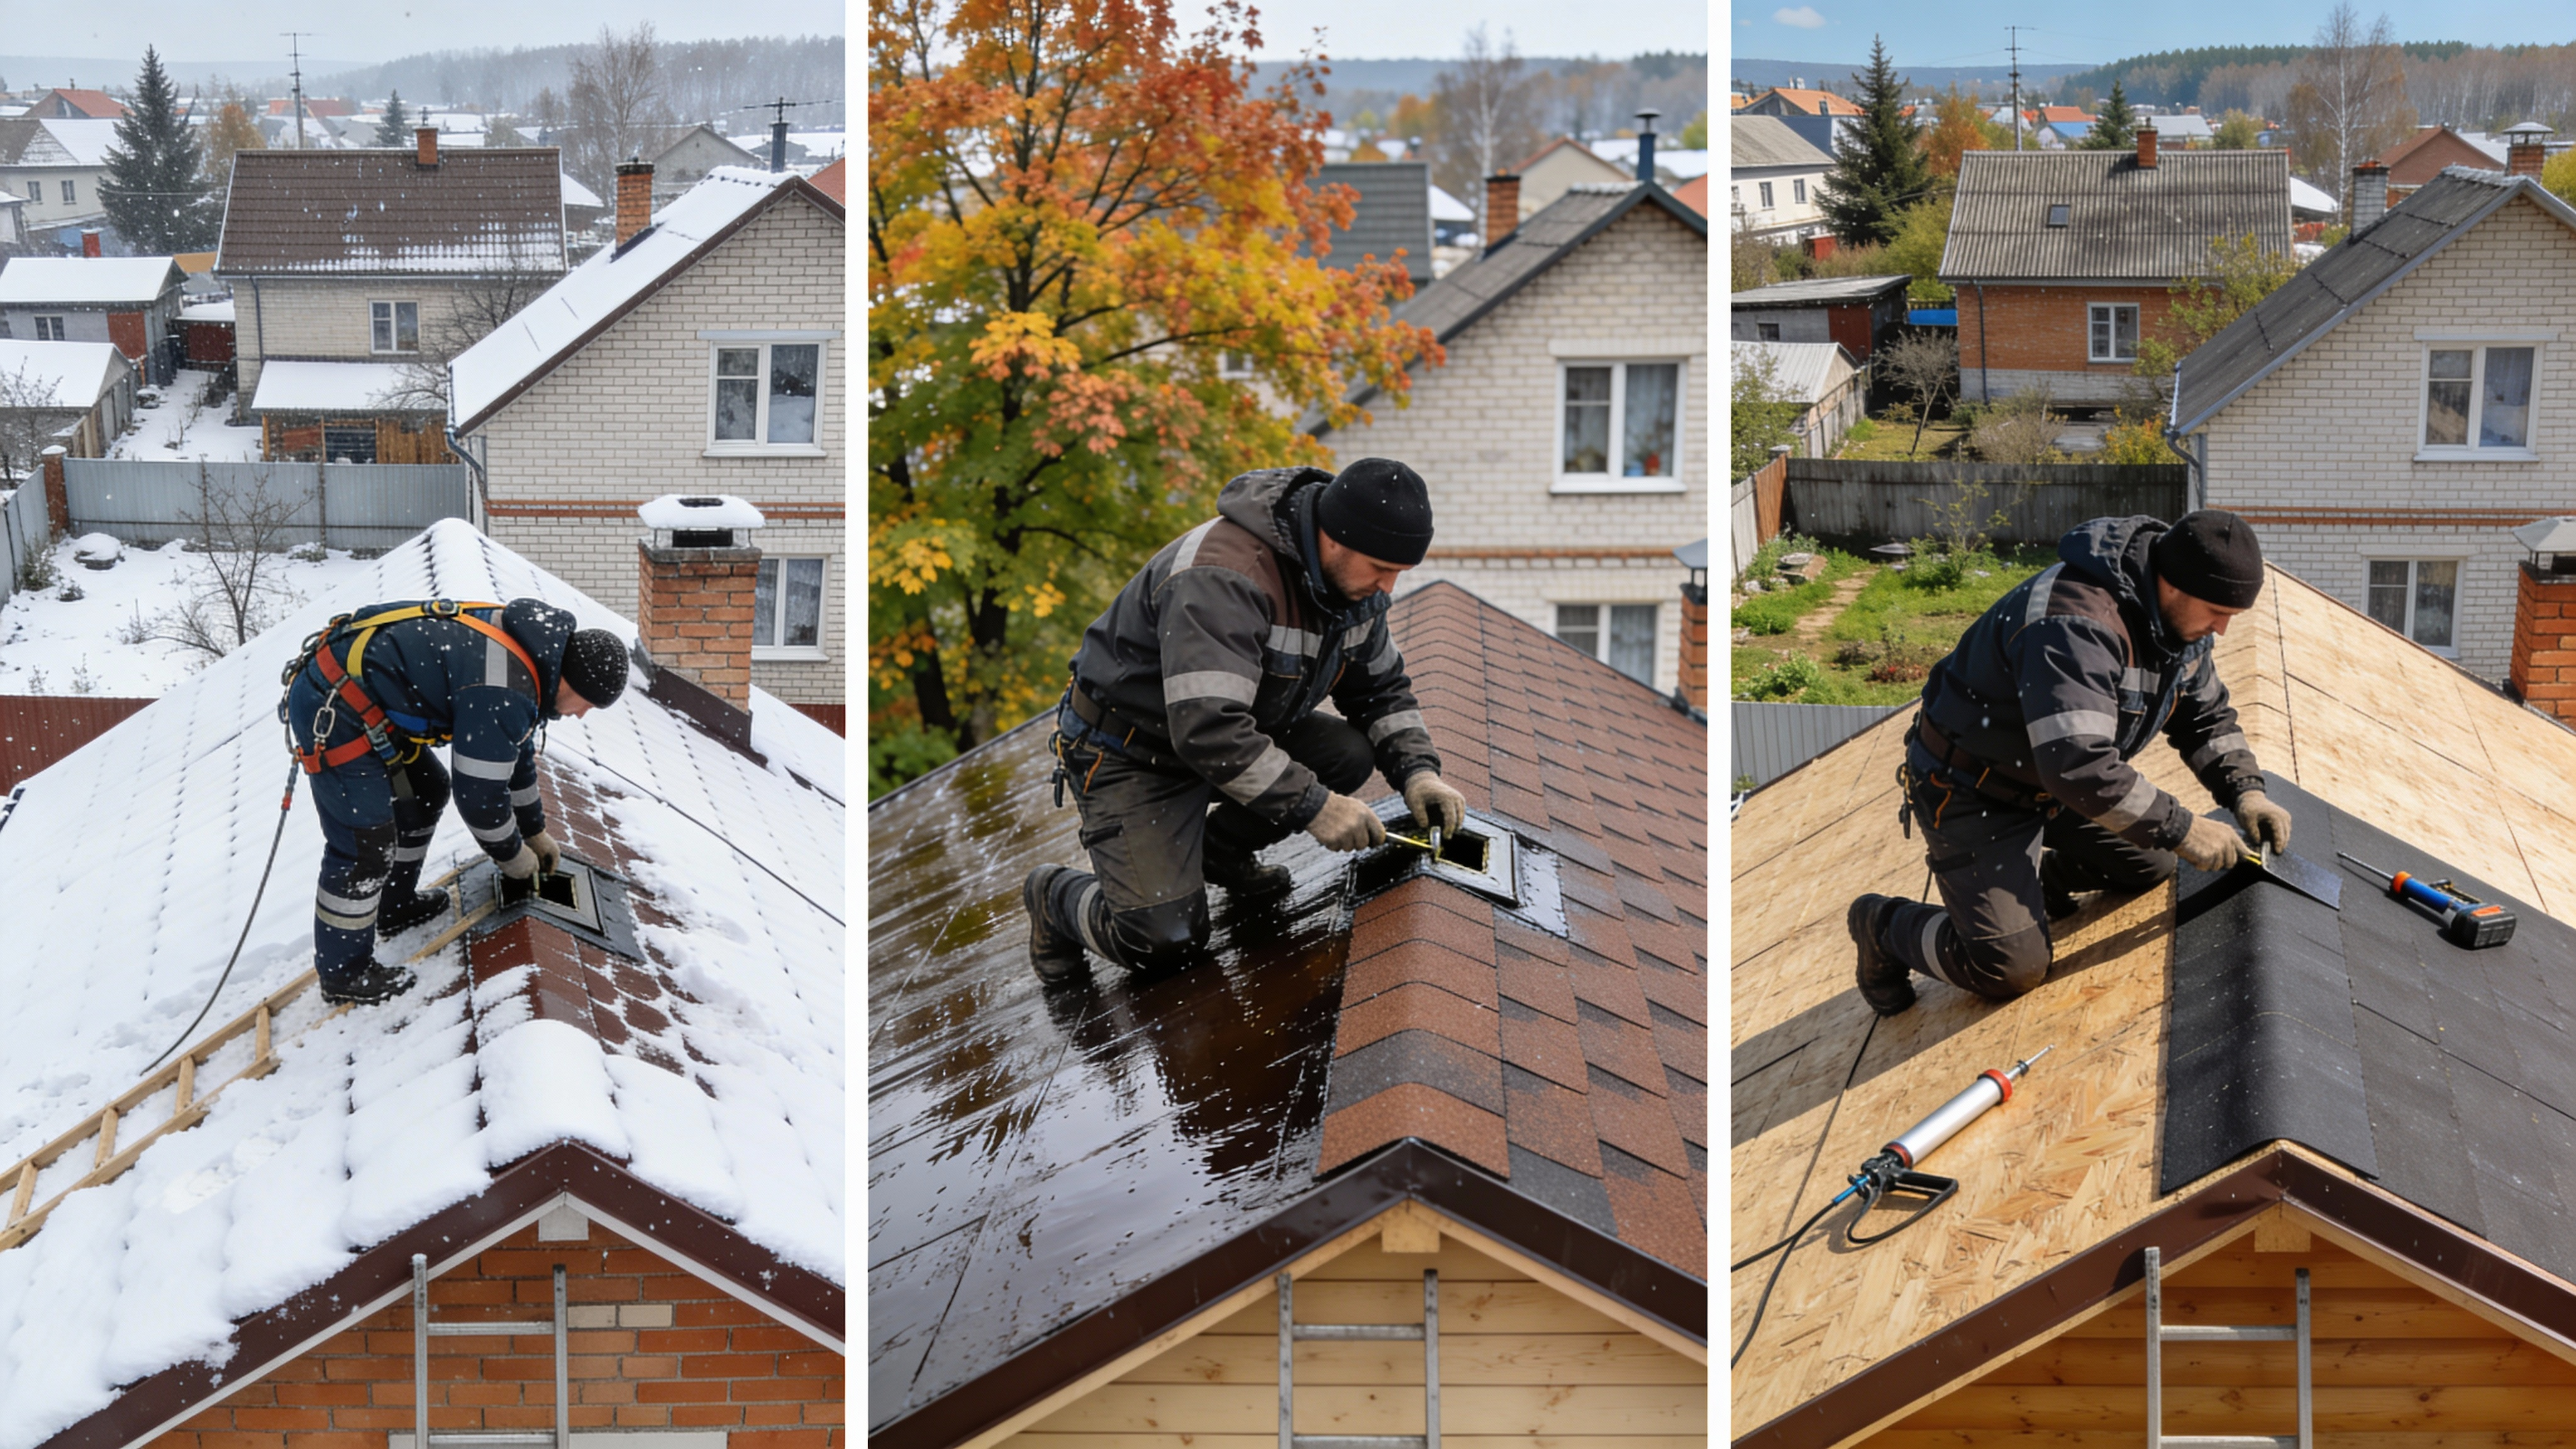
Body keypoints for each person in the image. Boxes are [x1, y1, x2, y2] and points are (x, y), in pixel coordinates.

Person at [1023, 458, 1469, 979]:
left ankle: (1220, 853)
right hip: (1131, 752)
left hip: (1231, 734)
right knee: (1164, 940)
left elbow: (1381, 691)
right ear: (1335, 539)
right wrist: (1315, 809)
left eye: (1398, 573)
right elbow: (1209, 729)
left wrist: (1420, 772)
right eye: (1380, 569)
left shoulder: (1351, 590)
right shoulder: (1223, 577)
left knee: (1347, 755)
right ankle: (1052, 896)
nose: (1388, 588)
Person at [1849, 511, 2294, 1015]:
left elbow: (2204, 719)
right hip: (1974, 789)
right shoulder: (2075, 624)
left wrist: (2246, 791)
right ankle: (1883, 926)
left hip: (2051, 785)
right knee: (2010, 968)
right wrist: (2184, 826)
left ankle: (2040, 885)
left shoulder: (2180, 629)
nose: (2224, 629)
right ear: (2173, 585)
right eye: (2218, 611)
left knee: (2152, 862)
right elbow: (2076, 763)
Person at [282, 598, 629, 1005]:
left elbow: (512, 756)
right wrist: (512, 857)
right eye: (589, 704)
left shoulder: (535, 662)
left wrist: (535, 831)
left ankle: (395, 907)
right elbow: (481, 797)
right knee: (365, 847)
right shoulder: (507, 684)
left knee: (426, 790)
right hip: (335, 706)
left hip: (373, 699)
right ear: (574, 682)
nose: (583, 715)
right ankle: (345, 973)